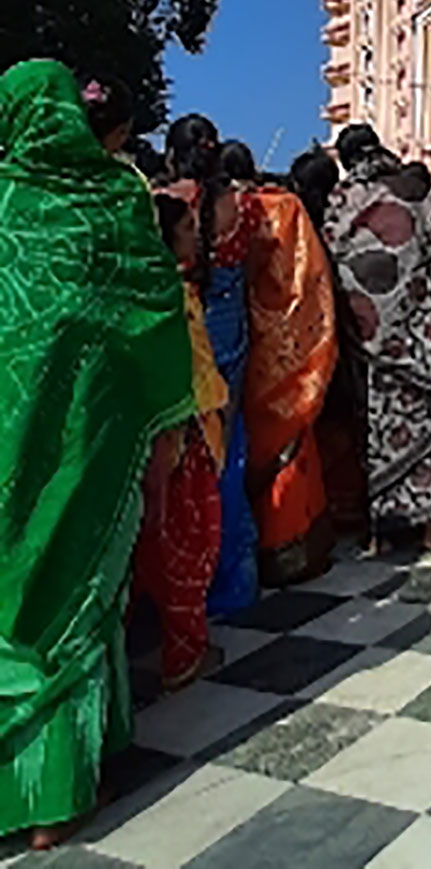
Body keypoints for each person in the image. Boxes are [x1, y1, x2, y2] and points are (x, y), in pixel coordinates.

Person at [0, 61, 195, 848]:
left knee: (12, 581)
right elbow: (152, 307)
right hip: (91, 429)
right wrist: (169, 415)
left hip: (11, 429)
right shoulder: (115, 197)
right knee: (76, 577)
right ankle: (61, 788)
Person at [324, 127, 431, 551]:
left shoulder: (342, 200)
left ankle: (383, 532)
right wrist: (427, 321)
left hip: (369, 341)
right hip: (420, 338)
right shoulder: (413, 192)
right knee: (427, 424)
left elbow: (336, 261)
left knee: (378, 430)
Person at [164, 114, 260, 616]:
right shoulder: (241, 207)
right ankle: (235, 582)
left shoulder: (167, 204)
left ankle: (187, 586)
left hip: (185, 338)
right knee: (229, 456)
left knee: (184, 464)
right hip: (232, 338)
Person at [134, 197, 229, 691]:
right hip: (176, 435)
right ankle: (183, 653)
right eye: (188, 227)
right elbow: (188, 372)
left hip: (167, 433)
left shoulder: (154, 290)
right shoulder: (170, 295)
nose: (197, 235)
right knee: (184, 544)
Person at [243, 174, 339, 586]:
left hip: (244, 342)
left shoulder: (233, 211)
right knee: (293, 440)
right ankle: (293, 548)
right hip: (290, 343)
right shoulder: (289, 211)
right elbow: (308, 278)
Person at [289, 147, 369, 540]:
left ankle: (317, 512)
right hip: (344, 335)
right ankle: (349, 505)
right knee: (344, 422)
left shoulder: (291, 225)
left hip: (301, 344)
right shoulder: (345, 221)